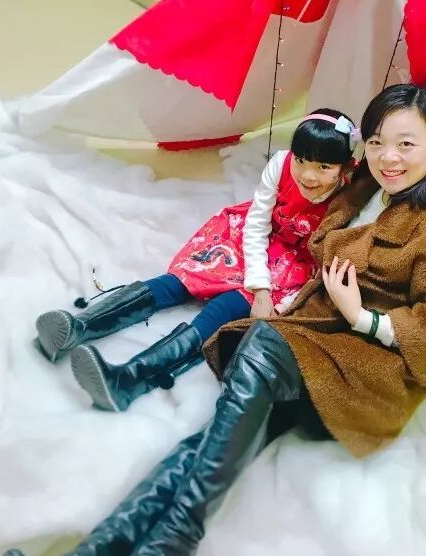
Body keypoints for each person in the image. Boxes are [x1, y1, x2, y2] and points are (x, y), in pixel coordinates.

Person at [0, 84, 426, 556]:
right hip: (313, 347)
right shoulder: (366, 185)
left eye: (406, 144)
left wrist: (361, 317)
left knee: (261, 343)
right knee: (202, 446)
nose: (388, 156)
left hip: (363, 372)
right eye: (377, 141)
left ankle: (168, 552)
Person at [34, 108, 357, 413]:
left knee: (225, 308)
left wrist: (263, 294)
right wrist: (258, 282)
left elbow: (329, 259)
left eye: (324, 167)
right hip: (254, 237)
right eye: (301, 160)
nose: (308, 175)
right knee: (183, 280)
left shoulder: (349, 198)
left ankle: (127, 380)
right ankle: (79, 327)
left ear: (345, 167)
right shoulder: (281, 164)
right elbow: (257, 222)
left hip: (294, 264)